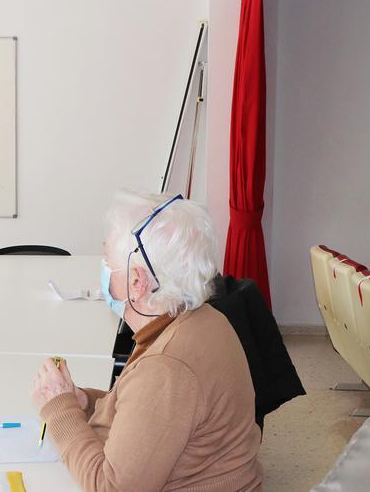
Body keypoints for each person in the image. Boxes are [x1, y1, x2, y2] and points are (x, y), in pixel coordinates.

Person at [31, 190, 262, 492]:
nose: (102, 271)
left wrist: (60, 410)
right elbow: (150, 412)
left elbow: (111, 487)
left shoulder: (166, 368)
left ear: (137, 282)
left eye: (107, 261)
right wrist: (88, 403)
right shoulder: (203, 320)